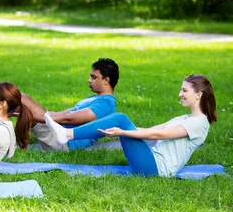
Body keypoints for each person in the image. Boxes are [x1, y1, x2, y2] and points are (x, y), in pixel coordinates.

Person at [44, 74, 217, 177]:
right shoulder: (185, 117)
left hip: (156, 169)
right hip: (151, 160)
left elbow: (157, 136)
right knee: (120, 120)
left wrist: (123, 131)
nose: (180, 94)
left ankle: (67, 135)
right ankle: (67, 135)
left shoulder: (199, 123)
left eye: (185, 91)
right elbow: (152, 130)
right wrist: (124, 131)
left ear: (199, 95)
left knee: (120, 118)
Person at [0, 58, 119, 151]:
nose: (89, 80)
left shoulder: (105, 104)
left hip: (64, 143)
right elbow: (66, 112)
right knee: (17, 104)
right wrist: (41, 113)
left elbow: (69, 119)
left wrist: (35, 115)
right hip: (56, 132)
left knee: (21, 100)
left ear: (106, 80)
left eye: (93, 77)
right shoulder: (95, 100)